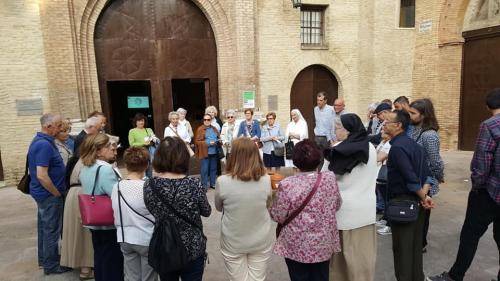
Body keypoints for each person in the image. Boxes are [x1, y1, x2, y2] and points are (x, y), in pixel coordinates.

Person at [429, 89, 500, 281]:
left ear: (488, 106)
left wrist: (477, 185)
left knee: (470, 235)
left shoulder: (490, 125)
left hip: (489, 192)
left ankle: (455, 276)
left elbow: (482, 162)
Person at [271, 140, 342, 281]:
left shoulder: (287, 184)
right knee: (322, 276)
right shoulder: (329, 179)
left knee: (299, 277)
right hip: (323, 242)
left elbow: (278, 216)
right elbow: (337, 205)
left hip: (296, 245)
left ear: (296, 161)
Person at [144, 136, 211, 280]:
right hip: (192, 248)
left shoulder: (150, 184)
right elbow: (206, 211)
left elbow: (151, 209)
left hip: (165, 245)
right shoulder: (193, 184)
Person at [325, 113, 379, 281]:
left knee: (340, 268)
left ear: (348, 130)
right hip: (366, 213)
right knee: (362, 263)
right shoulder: (370, 148)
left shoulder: (336, 151)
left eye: (339, 126)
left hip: (343, 216)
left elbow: (324, 181)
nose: (335, 129)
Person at [383, 110, 434, 281]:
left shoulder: (397, 148)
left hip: (403, 203)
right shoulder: (415, 145)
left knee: (403, 249)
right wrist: (424, 196)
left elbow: (411, 178)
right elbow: (428, 175)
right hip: (418, 204)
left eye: (388, 121)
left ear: (398, 125)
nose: (383, 123)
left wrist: (422, 196)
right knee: (414, 248)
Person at [215, 137, 273, 281]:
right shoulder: (266, 179)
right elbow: (269, 205)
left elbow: (218, 207)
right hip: (261, 238)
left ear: (233, 156)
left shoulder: (222, 181)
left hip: (233, 240)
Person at [28, 113, 71, 275]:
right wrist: (56, 193)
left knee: (45, 228)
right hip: (48, 195)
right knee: (51, 230)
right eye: (59, 125)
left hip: (45, 194)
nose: (61, 128)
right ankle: (51, 265)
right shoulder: (43, 145)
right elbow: (41, 174)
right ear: (48, 127)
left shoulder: (44, 141)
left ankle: (45, 259)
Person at [79, 134, 123, 281]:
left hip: (94, 220)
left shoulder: (86, 167)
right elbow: (116, 195)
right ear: (97, 151)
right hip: (108, 222)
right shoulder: (105, 170)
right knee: (113, 261)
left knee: (100, 257)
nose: (112, 148)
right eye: (107, 146)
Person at [111, 147, 156, 281]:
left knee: (131, 277)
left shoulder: (117, 186)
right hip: (146, 237)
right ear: (147, 164)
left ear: (125, 164)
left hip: (125, 237)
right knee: (149, 277)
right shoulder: (149, 186)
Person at [409, 98, 445, 252]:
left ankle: (421, 244)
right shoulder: (414, 129)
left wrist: (439, 176)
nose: (409, 115)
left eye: (413, 113)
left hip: (425, 181)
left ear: (423, 115)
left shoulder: (429, 135)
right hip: (415, 178)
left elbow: (435, 161)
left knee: (423, 216)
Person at [60, 156, 95, 280]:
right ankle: (86, 267)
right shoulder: (90, 160)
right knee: (84, 233)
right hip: (83, 194)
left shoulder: (78, 159)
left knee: (78, 232)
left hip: (74, 194)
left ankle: (83, 265)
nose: (114, 150)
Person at [128, 113, 159, 178]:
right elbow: (132, 144)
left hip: (149, 153)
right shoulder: (132, 131)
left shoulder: (149, 130)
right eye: (139, 121)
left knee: (149, 172)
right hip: (139, 154)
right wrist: (143, 143)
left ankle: (149, 185)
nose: (141, 122)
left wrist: (154, 139)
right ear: (135, 122)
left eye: (142, 120)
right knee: (142, 172)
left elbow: (154, 138)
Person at [195, 114, 221, 189]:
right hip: (205, 152)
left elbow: (218, 137)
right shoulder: (200, 129)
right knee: (205, 170)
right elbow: (197, 142)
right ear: (203, 120)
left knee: (213, 169)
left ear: (211, 120)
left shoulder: (214, 128)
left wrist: (219, 141)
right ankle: (204, 186)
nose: (206, 121)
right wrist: (208, 143)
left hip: (214, 152)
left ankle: (212, 184)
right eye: (205, 120)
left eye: (208, 119)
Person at [375, 130, 393, 236]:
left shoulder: (389, 144)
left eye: (384, 130)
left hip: (384, 174)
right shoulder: (383, 142)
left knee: (388, 199)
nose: (382, 131)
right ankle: (385, 219)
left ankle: (389, 225)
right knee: (385, 198)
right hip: (379, 173)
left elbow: (378, 157)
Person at [314, 92, 335, 171]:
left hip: (327, 137)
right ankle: (319, 175)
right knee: (319, 158)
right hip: (317, 137)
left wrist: (332, 138)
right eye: (318, 100)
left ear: (325, 101)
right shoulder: (315, 109)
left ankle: (328, 175)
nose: (319, 102)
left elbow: (332, 124)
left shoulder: (331, 109)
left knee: (328, 158)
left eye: (321, 100)